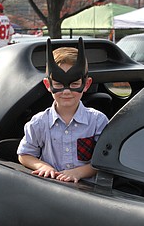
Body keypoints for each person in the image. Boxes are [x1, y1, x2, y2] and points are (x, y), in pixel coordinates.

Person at [17, 38, 109, 183]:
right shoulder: (39, 122)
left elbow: (106, 160)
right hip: (52, 190)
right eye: (59, 84)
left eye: (74, 84)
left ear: (86, 84)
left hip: (89, 194)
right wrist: (42, 166)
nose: (66, 91)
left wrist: (79, 172)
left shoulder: (97, 121)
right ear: (48, 84)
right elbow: (24, 154)